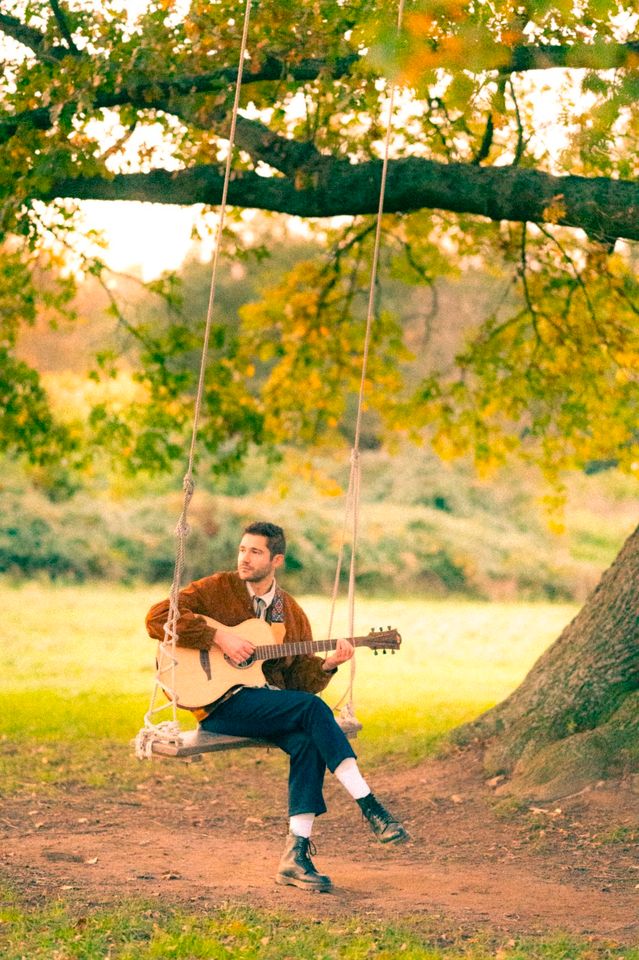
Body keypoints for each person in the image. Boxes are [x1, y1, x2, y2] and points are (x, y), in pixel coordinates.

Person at [145, 520, 407, 892]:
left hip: (264, 703)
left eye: (255, 552)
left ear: (276, 560)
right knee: (313, 712)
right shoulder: (216, 589)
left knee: (306, 739)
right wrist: (219, 636)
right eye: (242, 549)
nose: (245, 558)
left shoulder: (290, 612)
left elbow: (300, 684)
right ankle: (371, 808)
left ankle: (294, 857)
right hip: (220, 705)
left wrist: (329, 665)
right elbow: (157, 618)